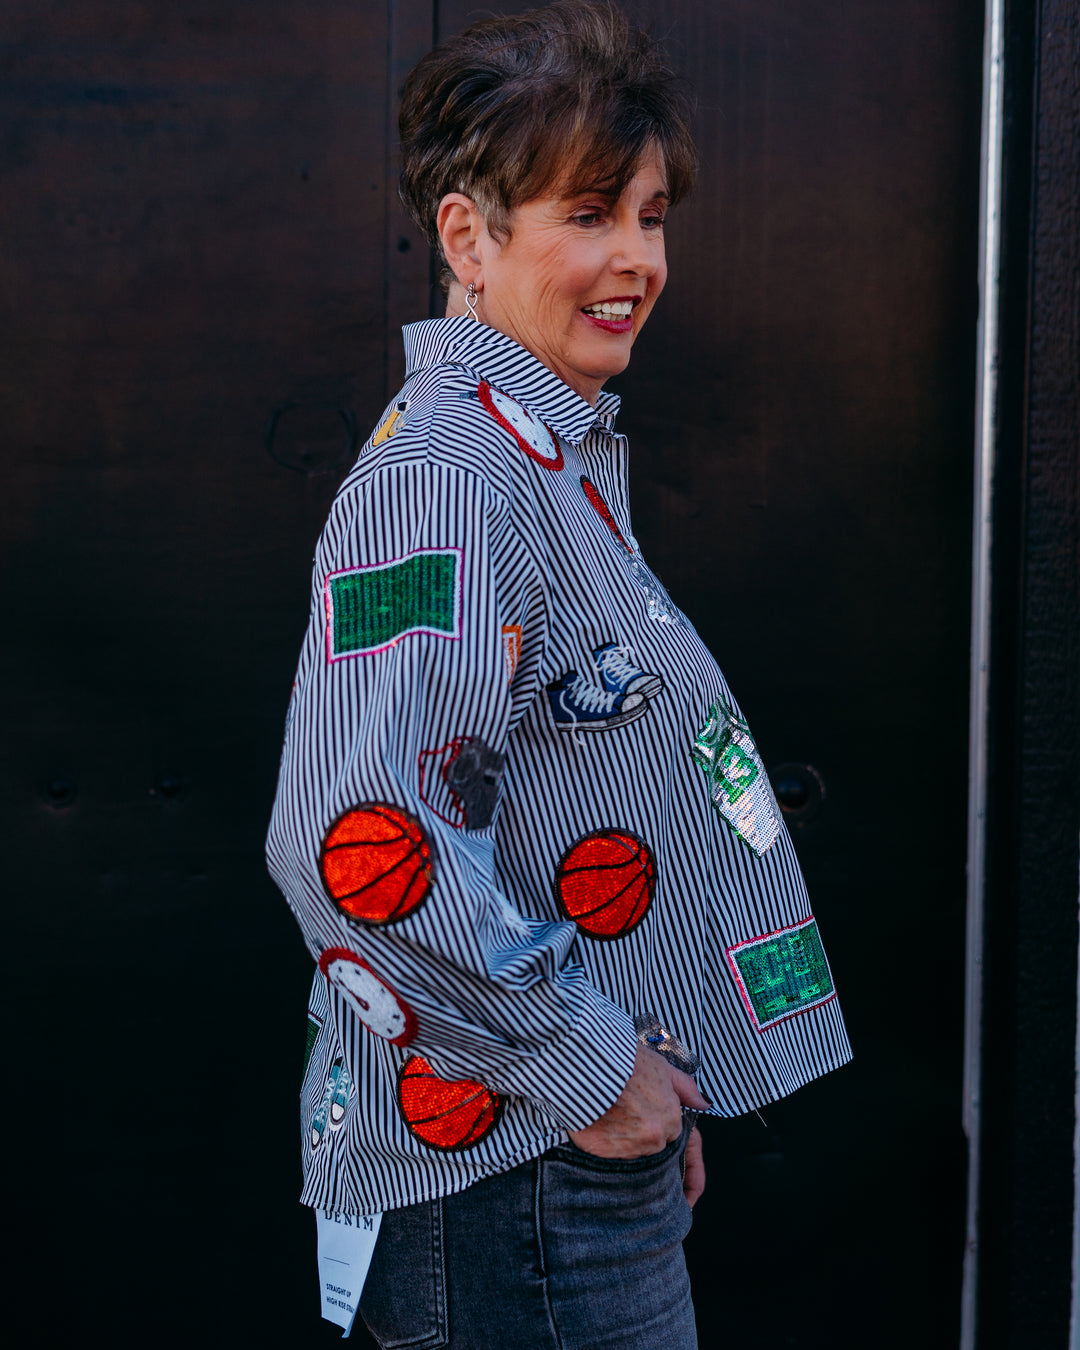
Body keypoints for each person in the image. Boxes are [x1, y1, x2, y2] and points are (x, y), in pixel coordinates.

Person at [266, 3, 852, 1346]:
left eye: (650, 215)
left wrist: (642, 1084)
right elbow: (356, 844)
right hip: (509, 1182)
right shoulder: (452, 482)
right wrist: (596, 1075)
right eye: (589, 213)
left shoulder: (538, 458)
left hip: (562, 1163)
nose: (635, 257)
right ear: (469, 237)